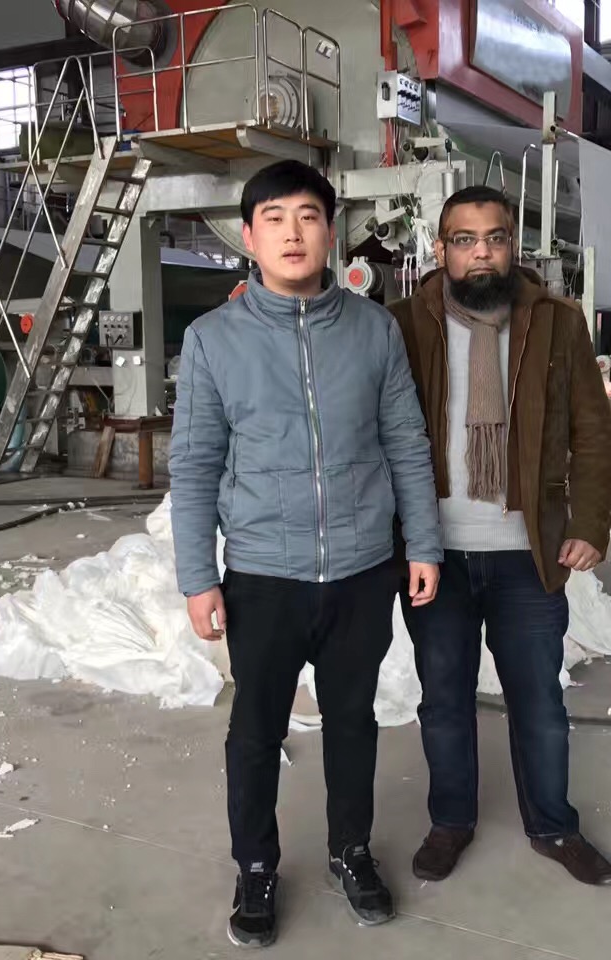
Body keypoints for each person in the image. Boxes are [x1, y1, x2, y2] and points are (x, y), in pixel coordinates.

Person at [168, 159, 443, 948]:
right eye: (275, 218)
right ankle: (255, 866)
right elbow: (194, 466)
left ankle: (351, 850)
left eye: (309, 216)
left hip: (361, 570)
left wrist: (421, 543)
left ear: (331, 232)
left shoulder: (372, 330)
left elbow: (406, 443)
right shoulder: (214, 340)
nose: (293, 233)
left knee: (353, 722)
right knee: (255, 730)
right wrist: (198, 577)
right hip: (263, 575)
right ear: (248, 237)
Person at [386, 185, 611, 887]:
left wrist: (590, 523)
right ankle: (450, 821)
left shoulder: (556, 323)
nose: (481, 252)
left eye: (495, 238)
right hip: (435, 555)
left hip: (526, 553)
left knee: (540, 702)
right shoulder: (403, 324)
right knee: (444, 700)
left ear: (513, 245)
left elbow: (592, 432)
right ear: (441, 249)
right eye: (465, 240)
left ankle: (553, 826)